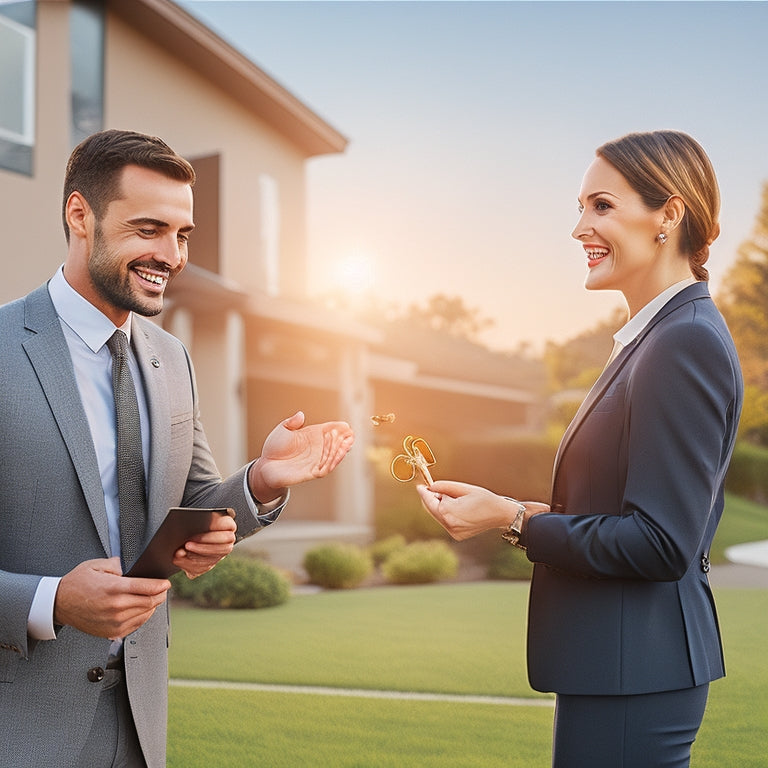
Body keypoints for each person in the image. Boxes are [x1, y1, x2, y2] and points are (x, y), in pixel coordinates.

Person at [0, 129, 354, 768]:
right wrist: (51, 600)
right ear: (80, 216)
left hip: (139, 722)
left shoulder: (171, 359)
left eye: (182, 234)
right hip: (17, 726)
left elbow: (193, 504)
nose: (172, 254)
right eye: (148, 229)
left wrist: (262, 482)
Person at [418, 130, 743, 768]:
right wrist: (508, 509)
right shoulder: (655, 339)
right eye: (581, 208)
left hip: (636, 672)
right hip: (620, 667)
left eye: (601, 206)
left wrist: (511, 521)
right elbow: (619, 508)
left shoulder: (684, 343)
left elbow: (660, 543)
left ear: (668, 214)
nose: (579, 228)